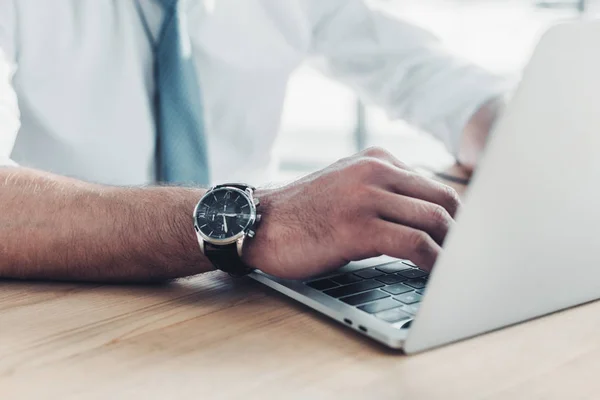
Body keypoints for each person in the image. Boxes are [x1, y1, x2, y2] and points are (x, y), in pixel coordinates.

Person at [0, 0, 506, 282]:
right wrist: (260, 222)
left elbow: (429, 77)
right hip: (67, 312)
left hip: (243, 303)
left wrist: (515, 132)